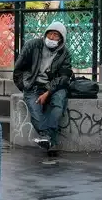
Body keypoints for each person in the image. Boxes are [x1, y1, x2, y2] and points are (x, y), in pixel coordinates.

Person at [13, 21, 73, 151]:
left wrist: (48, 92)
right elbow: (18, 68)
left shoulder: (64, 53)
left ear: (61, 39)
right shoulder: (32, 46)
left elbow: (64, 77)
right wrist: (23, 86)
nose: (51, 38)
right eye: (50, 34)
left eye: (56, 35)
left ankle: (47, 138)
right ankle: (49, 138)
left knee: (58, 104)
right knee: (35, 111)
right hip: (33, 85)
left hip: (54, 86)